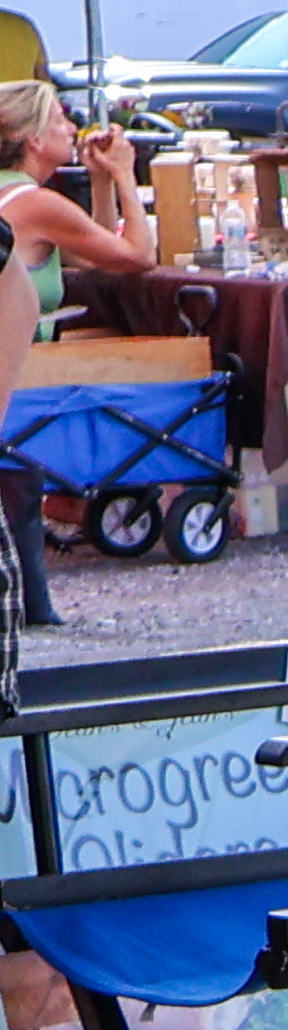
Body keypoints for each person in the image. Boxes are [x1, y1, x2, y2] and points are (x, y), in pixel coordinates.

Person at [0, 73, 160, 630]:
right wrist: (124, 174)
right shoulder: (36, 202)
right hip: (18, 374)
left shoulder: (14, 196)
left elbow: (94, 254)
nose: (72, 127)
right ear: (33, 139)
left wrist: (97, 181)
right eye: (60, 120)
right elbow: (139, 257)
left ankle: (36, 594)